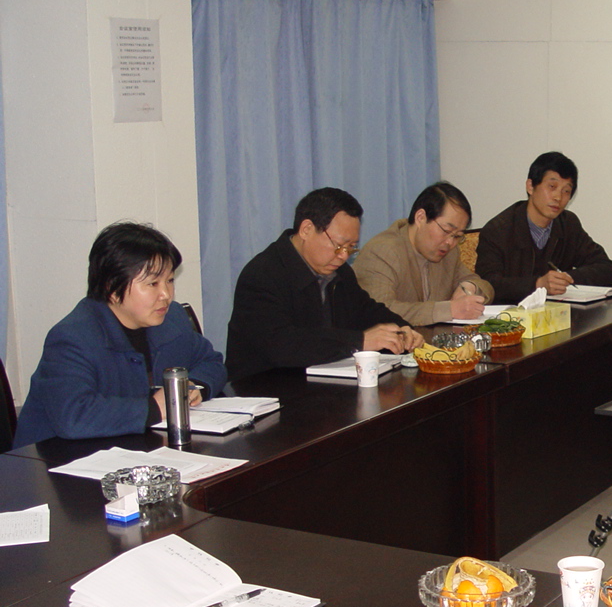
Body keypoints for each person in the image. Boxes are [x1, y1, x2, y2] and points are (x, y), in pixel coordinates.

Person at [14, 222, 226, 447]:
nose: (166, 294)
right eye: (153, 284)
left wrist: (194, 386)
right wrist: (155, 407)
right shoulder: (71, 338)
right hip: (58, 460)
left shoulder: (172, 318)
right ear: (112, 288)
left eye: (170, 280)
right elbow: (73, 415)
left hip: (140, 450)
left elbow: (211, 362)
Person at [225, 187, 423, 381]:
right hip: (266, 387)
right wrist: (360, 341)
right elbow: (282, 345)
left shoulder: (340, 272)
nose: (343, 256)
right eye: (338, 245)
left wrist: (402, 330)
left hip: (322, 382)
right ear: (306, 230)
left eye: (351, 247)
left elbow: (365, 310)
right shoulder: (262, 275)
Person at [475, 152, 612, 302]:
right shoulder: (498, 230)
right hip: (512, 313)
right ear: (530, 186)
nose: (558, 197)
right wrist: (537, 285)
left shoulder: (568, 223)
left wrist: (565, 279)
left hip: (558, 312)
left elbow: (605, 268)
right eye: (552, 187)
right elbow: (487, 284)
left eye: (566, 191)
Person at [353, 181, 494, 325]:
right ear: (420, 217)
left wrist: (470, 287)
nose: (450, 242)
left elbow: (484, 286)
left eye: (457, 236)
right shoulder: (382, 251)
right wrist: (448, 310)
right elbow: (380, 312)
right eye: (446, 231)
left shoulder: (449, 253)